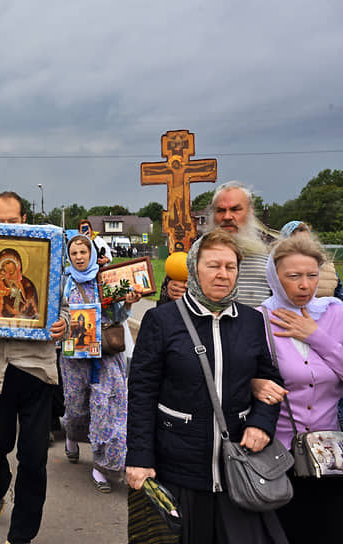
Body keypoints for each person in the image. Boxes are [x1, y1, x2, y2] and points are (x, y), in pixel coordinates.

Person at [126, 229, 287, 543]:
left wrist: (261, 423)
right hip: (178, 469)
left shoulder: (253, 321)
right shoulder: (162, 321)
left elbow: (271, 382)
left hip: (238, 470)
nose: (223, 274)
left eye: (230, 266)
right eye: (214, 265)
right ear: (194, 268)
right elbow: (142, 394)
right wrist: (139, 458)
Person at [0, 191, 70, 544]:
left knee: (34, 457)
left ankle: (21, 534)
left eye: (12, 221)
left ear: (24, 222)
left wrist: (62, 323)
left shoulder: (45, 264)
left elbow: (60, 307)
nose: (6, 227)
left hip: (37, 370)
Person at [248, 235, 343, 543]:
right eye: (294, 276)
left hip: (330, 455)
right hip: (277, 455)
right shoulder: (258, 319)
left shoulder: (335, 313)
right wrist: (253, 382)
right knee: (284, 532)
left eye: (312, 275)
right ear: (275, 278)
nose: (305, 284)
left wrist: (317, 336)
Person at [60, 234, 141, 493]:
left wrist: (127, 303)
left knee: (109, 408)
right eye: (74, 253)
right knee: (75, 406)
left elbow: (118, 314)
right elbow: (56, 313)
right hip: (75, 356)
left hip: (106, 353)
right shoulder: (63, 282)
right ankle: (72, 437)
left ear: (92, 254)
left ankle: (102, 465)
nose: (79, 257)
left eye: (83, 252)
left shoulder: (106, 279)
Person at [160, 181, 272, 307]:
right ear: (213, 215)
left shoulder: (270, 262)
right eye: (221, 210)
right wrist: (170, 294)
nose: (227, 217)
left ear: (250, 211)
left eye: (235, 209)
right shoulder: (191, 257)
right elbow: (165, 312)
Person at [279, 220, 343, 299]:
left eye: (306, 241)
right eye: (296, 242)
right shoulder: (276, 269)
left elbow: (340, 299)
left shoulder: (328, 267)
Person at [0, 248, 40, 319]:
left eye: (8, 263)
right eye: (3, 266)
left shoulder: (27, 285)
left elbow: (34, 314)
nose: (6, 267)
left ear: (17, 263)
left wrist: (18, 313)